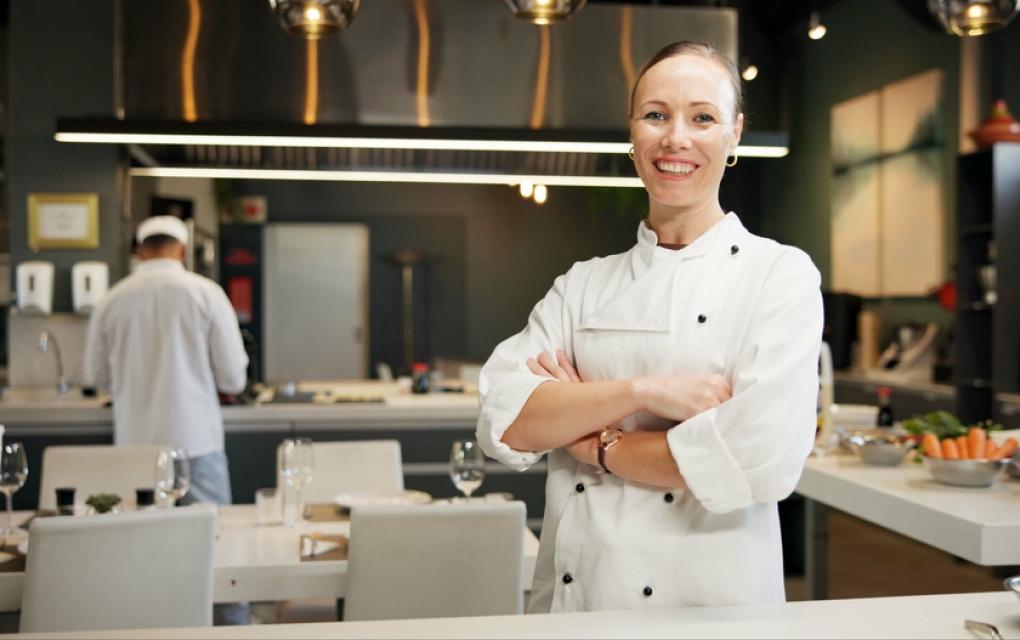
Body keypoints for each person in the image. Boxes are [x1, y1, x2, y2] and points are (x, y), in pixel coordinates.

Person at [476, 41, 823, 613]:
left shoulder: (778, 275)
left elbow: (757, 460)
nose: (676, 139)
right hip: (578, 605)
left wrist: (593, 440)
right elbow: (505, 420)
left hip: (710, 609)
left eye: (703, 118)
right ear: (633, 134)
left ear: (734, 134)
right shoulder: (582, 285)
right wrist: (645, 393)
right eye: (656, 115)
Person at [84, 215, 248, 507]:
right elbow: (233, 378)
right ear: (183, 250)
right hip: (197, 443)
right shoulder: (207, 294)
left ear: (139, 251)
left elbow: (96, 379)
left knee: (140, 540)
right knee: (213, 538)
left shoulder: (111, 299)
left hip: (135, 445)